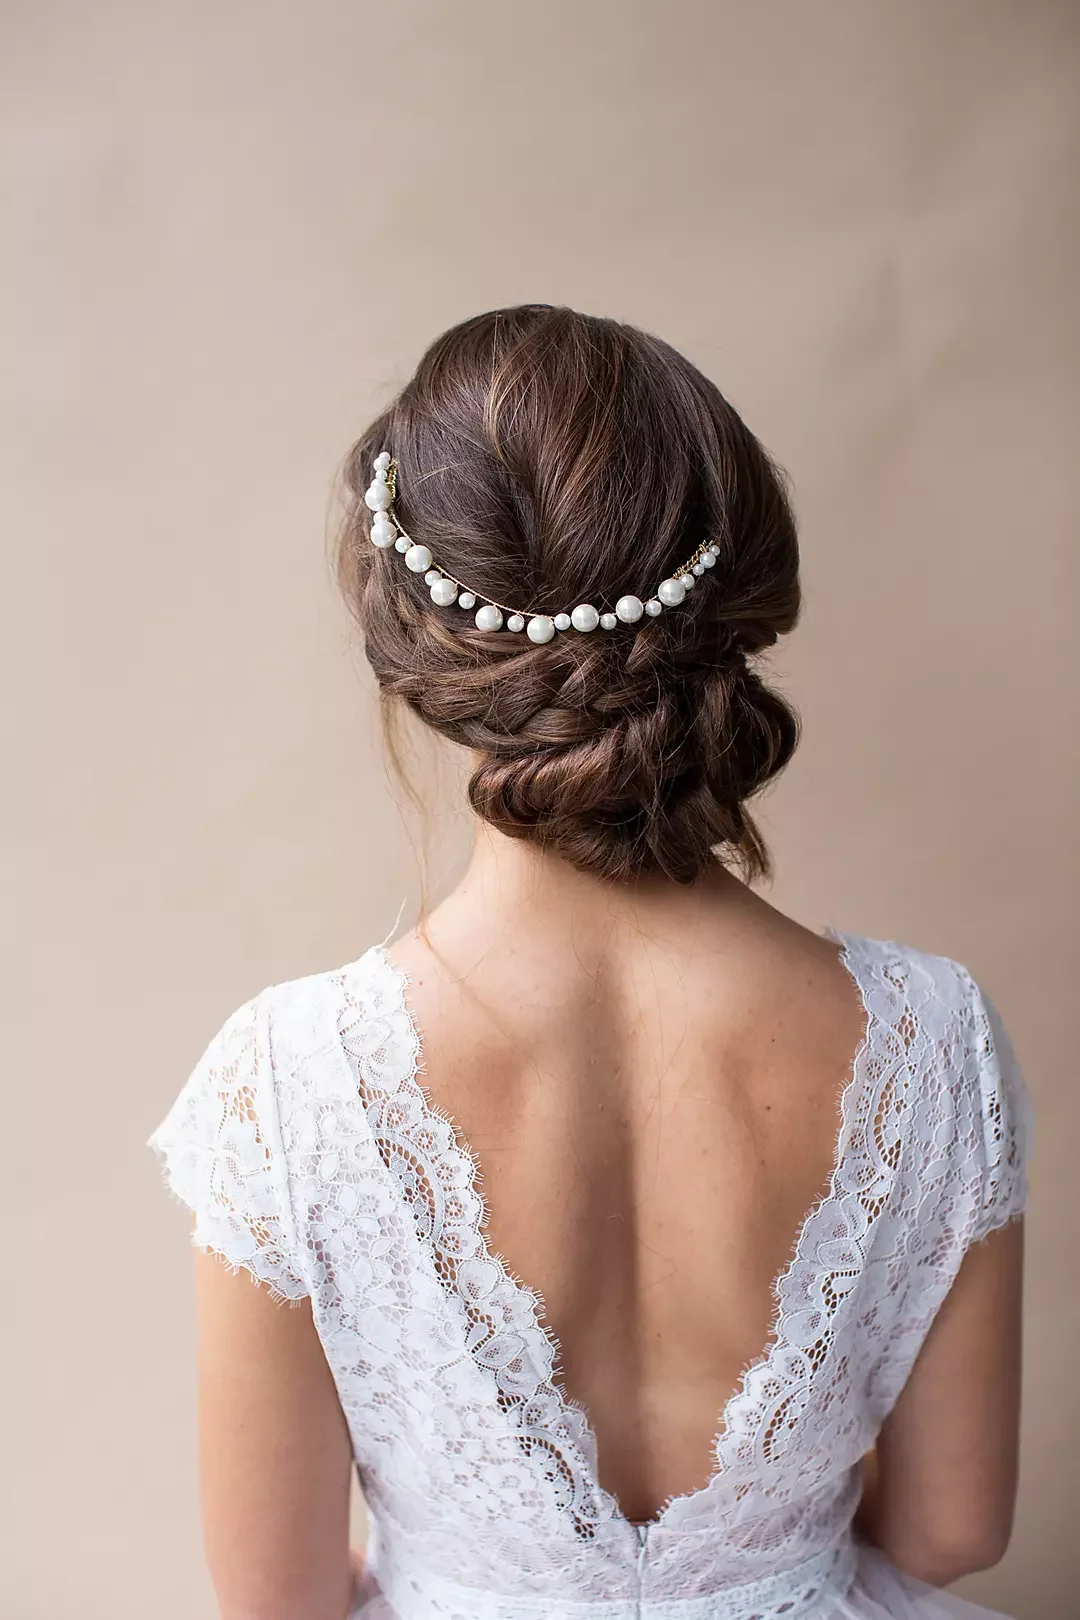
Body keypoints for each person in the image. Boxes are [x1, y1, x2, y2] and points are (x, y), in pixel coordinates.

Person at [149, 305, 1032, 1620]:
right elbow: (952, 1528)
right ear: (738, 604)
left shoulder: (285, 1084)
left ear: (418, 655)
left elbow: (276, 1599)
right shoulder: (933, 1035)